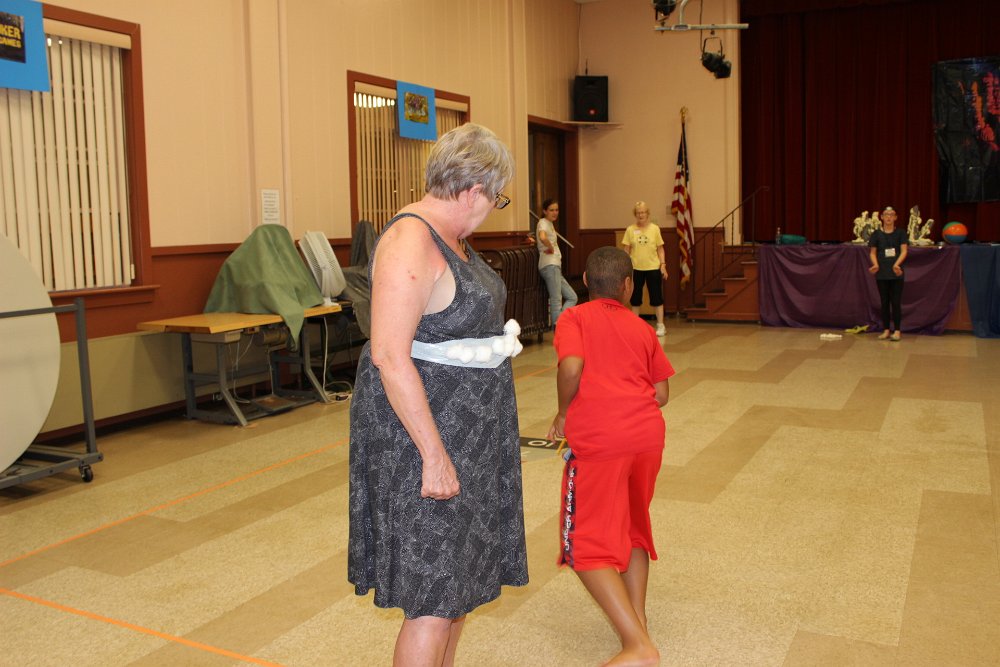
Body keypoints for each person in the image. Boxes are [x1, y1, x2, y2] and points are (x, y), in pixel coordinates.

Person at [348, 123, 528, 666]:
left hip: (469, 435)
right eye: (497, 198)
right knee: (433, 597)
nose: (492, 209)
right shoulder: (410, 240)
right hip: (424, 438)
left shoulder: (454, 238)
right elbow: (389, 355)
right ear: (474, 191)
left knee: (457, 589)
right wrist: (434, 456)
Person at [547, 246, 675, 667]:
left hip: (601, 443)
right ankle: (638, 626)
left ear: (585, 281)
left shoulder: (574, 318)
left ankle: (638, 647)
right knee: (635, 527)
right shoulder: (641, 327)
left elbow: (571, 367)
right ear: (628, 285)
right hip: (647, 438)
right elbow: (661, 393)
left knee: (585, 546)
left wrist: (563, 413)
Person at [621, 201, 668, 337]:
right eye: (638, 213)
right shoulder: (630, 230)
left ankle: (660, 325)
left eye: (643, 212)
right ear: (635, 214)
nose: (640, 215)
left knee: (656, 297)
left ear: (647, 214)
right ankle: (635, 325)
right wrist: (625, 266)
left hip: (653, 267)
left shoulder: (655, 229)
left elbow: (660, 249)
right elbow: (626, 250)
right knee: (635, 298)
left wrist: (663, 265)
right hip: (635, 268)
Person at [535, 198, 578, 326]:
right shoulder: (543, 222)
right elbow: (542, 237)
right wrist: (550, 247)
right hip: (549, 265)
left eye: (556, 210)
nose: (555, 213)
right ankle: (559, 329)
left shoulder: (549, 223)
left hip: (554, 266)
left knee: (572, 297)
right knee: (556, 299)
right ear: (545, 211)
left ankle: (560, 323)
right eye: (551, 210)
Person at [868, 205, 908, 341]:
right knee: (884, 302)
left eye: (891, 214)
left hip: (896, 273)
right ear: (882, 217)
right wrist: (875, 265)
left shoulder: (901, 233)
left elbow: (904, 251)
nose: (889, 217)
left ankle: (897, 331)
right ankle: (886, 330)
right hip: (882, 273)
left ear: (895, 217)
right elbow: (872, 253)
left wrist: (897, 264)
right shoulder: (876, 234)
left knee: (896, 302)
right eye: (886, 214)